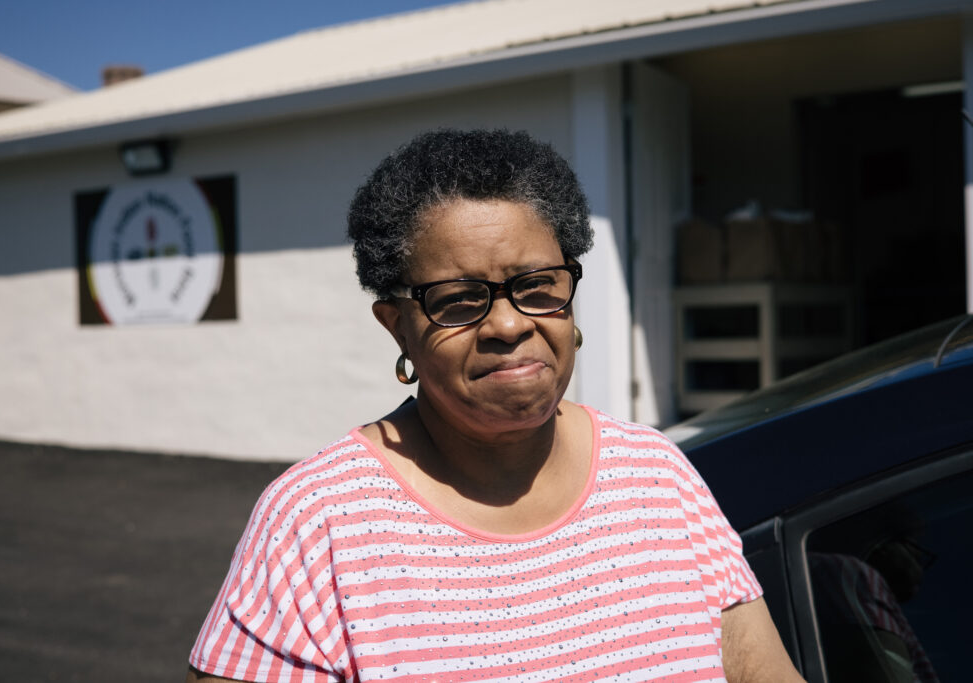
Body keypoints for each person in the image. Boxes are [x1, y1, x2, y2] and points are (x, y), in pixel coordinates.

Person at [185, 129, 804, 682]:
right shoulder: (317, 525)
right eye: (457, 299)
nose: (508, 324)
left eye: (538, 287)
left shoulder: (658, 475)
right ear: (397, 326)